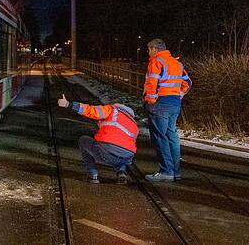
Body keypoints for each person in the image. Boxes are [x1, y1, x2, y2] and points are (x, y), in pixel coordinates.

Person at [58, 94, 138, 184]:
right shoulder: (134, 123)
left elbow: (91, 110)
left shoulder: (112, 110)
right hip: (127, 158)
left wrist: (68, 104)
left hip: (107, 152)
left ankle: (92, 175)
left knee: (83, 140)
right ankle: (122, 173)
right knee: (121, 148)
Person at [143, 39, 192, 182]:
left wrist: (150, 100)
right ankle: (176, 172)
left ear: (154, 49)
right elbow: (188, 82)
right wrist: (179, 95)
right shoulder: (176, 63)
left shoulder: (156, 62)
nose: (148, 53)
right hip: (174, 103)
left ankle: (166, 171)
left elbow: (152, 83)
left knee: (160, 137)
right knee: (172, 137)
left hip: (160, 104)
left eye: (149, 50)